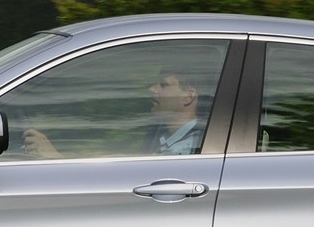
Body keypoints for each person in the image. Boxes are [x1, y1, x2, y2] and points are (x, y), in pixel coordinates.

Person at [19, 68, 205, 159]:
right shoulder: (162, 137)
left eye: (163, 85)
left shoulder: (186, 150)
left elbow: (132, 188)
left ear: (188, 96)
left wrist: (55, 158)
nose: (151, 89)